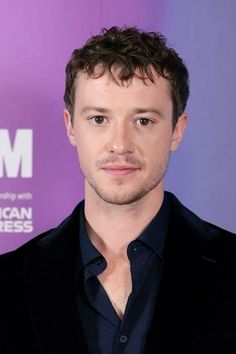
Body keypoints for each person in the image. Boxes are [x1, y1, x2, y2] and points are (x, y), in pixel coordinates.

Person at [0, 26, 235, 354]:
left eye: (143, 121)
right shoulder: (8, 282)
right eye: (99, 119)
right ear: (71, 126)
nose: (120, 144)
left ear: (177, 130)